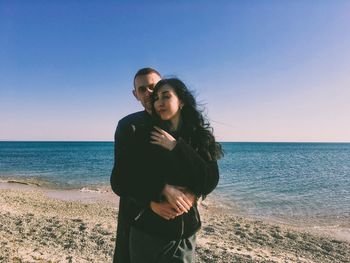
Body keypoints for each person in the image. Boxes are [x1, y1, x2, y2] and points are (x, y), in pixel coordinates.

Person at [115, 78, 223, 262]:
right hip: (146, 232)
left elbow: (209, 179)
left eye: (166, 96)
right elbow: (120, 180)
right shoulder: (143, 134)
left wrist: (176, 147)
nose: (159, 102)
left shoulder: (199, 137)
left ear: (181, 101)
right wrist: (158, 192)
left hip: (183, 234)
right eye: (156, 98)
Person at [110, 68, 196, 263]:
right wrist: (152, 200)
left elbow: (205, 172)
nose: (149, 93)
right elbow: (120, 180)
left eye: (153, 86)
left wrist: (192, 195)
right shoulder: (129, 126)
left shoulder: (185, 124)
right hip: (139, 220)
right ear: (135, 95)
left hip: (181, 225)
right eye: (142, 89)